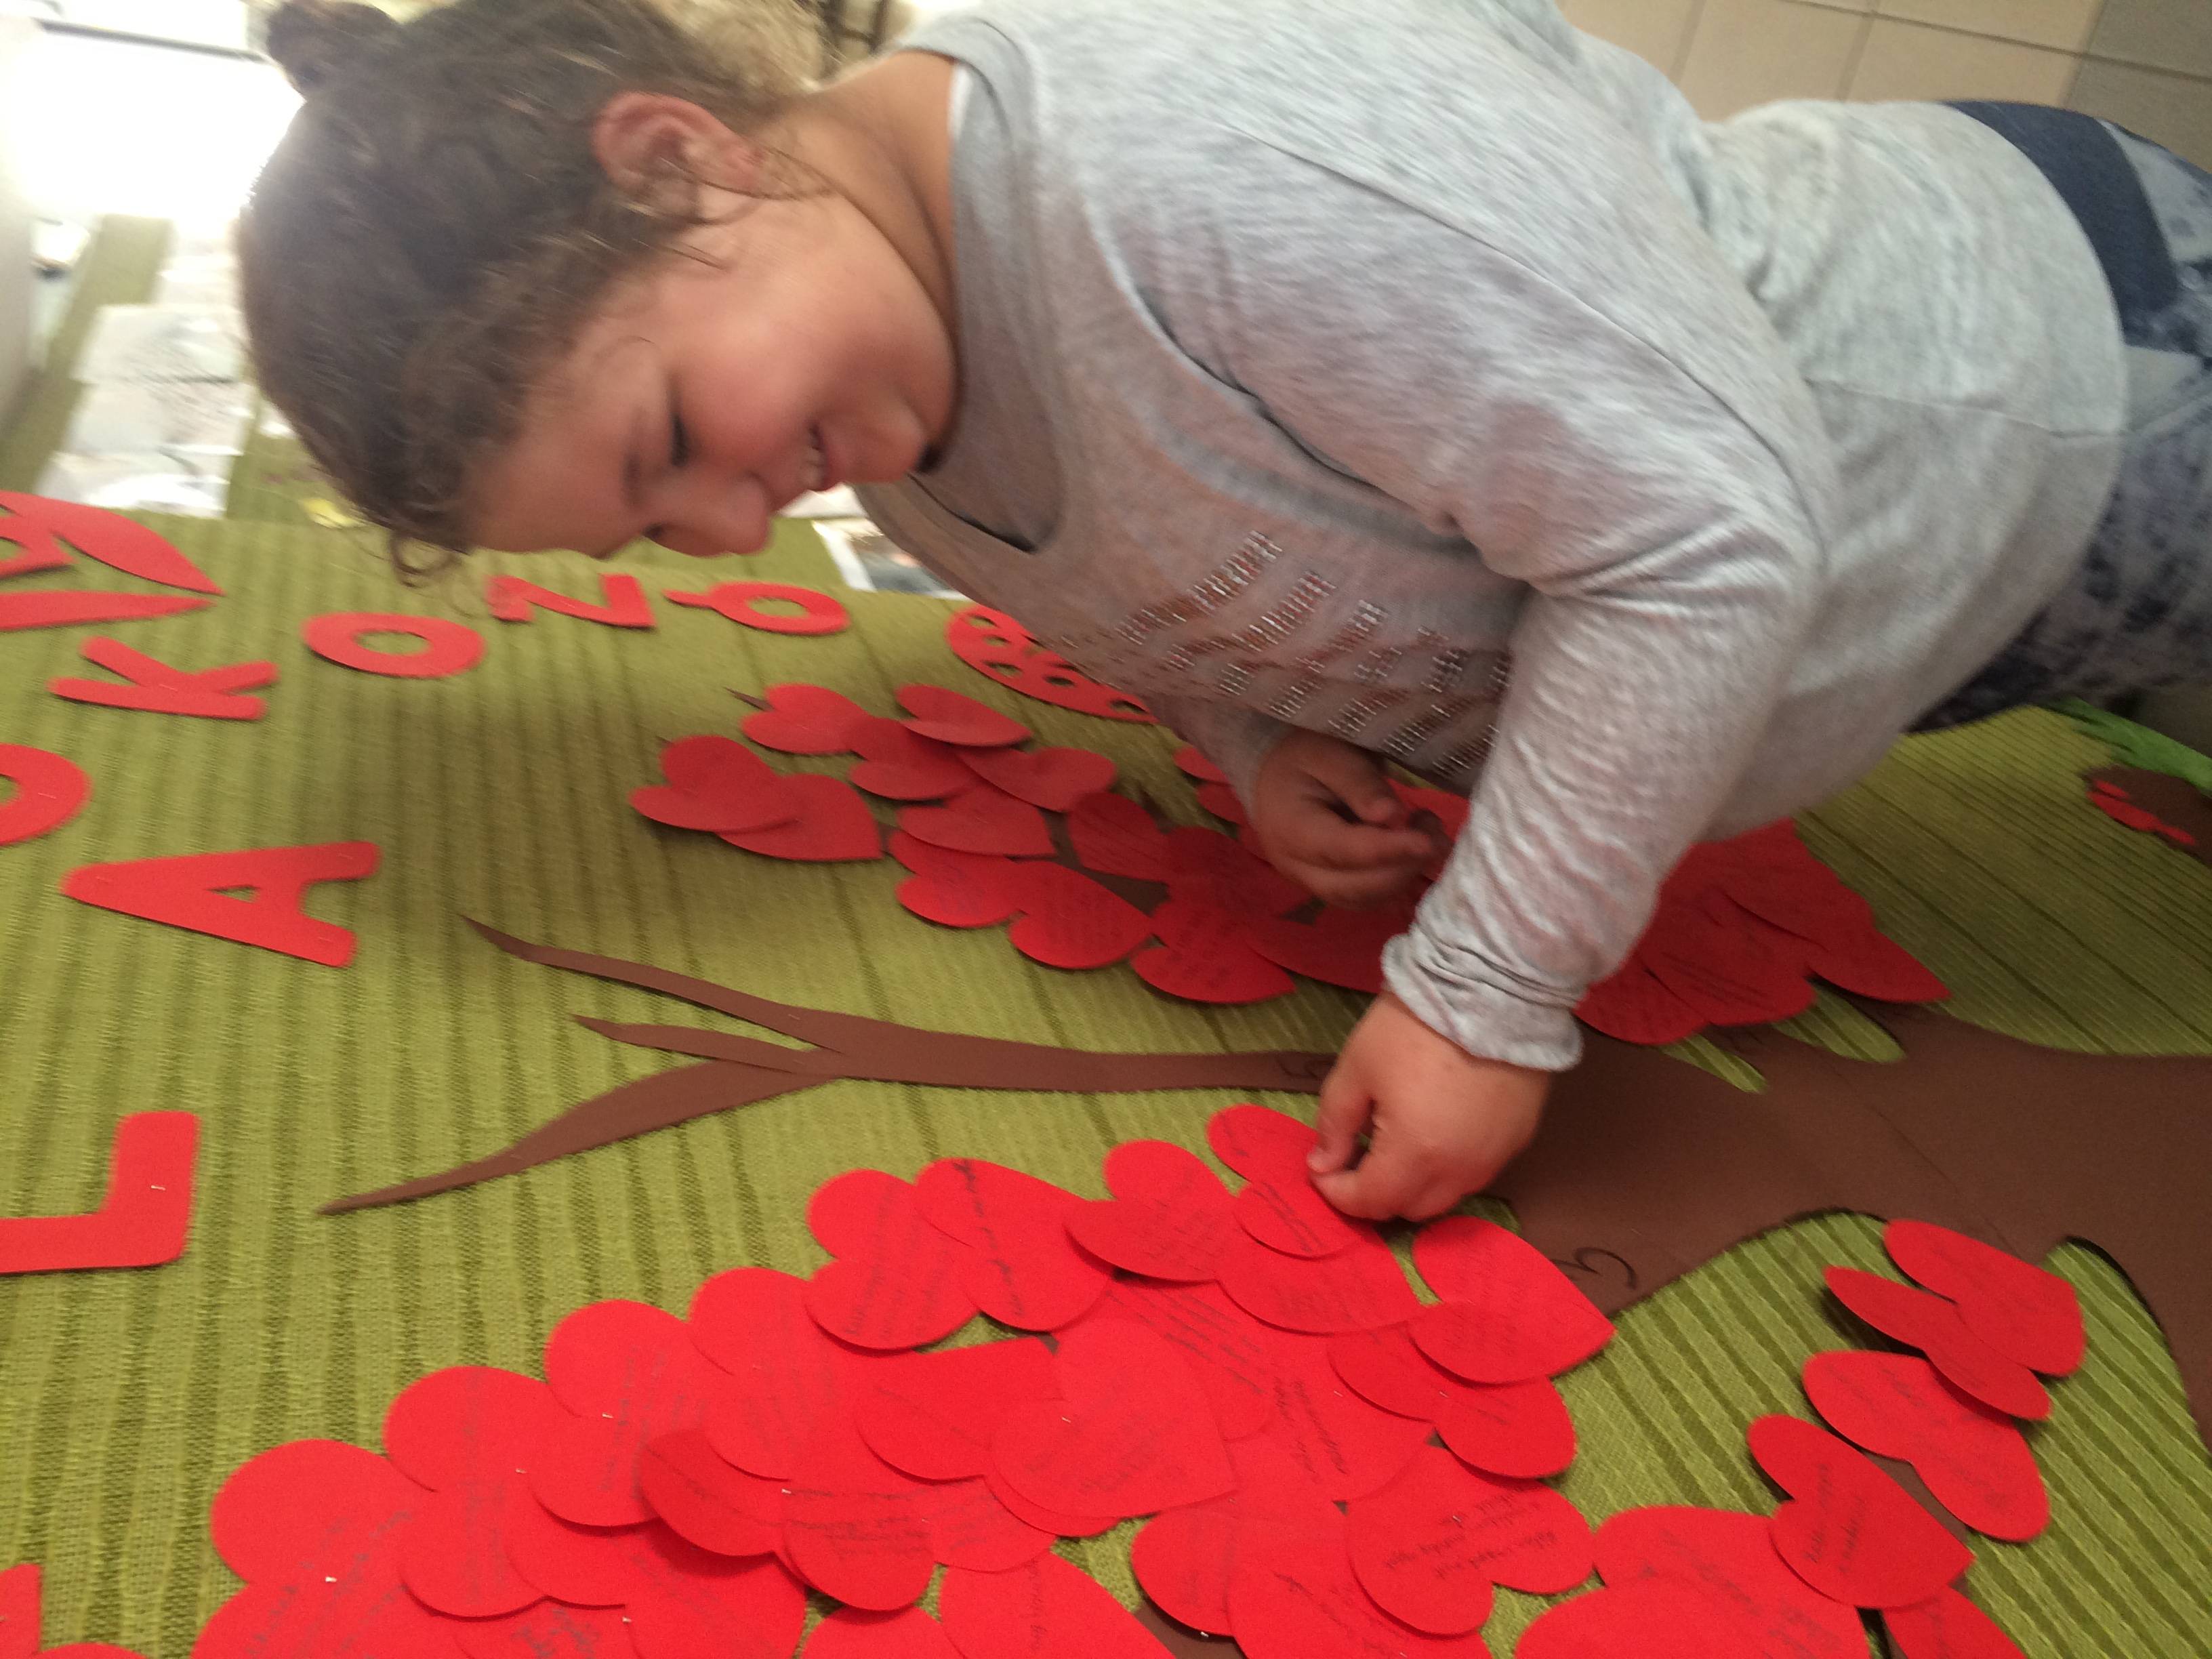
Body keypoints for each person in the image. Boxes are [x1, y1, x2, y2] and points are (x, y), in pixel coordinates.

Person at [241, 0, 2212, 1222]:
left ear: (683, 161)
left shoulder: (1198, 165)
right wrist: (1261, 736)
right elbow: (1165, 572)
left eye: (676, 437)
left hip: (2071, 378)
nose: (736, 528)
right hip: (1955, 619)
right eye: (652, 534)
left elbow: (1702, 532)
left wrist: (1485, 992)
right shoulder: (891, 411)